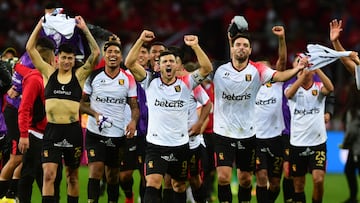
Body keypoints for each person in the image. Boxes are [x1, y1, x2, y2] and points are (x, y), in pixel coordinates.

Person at [212, 31, 307, 203]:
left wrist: (298, 67)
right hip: (231, 134)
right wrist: (229, 40)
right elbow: (232, 65)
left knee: (250, 180)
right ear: (232, 48)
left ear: (250, 51)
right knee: (231, 177)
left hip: (257, 136)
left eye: (245, 45)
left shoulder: (264, 76)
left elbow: (282, 69)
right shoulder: (224, 70)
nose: (241, 48)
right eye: (238, 45)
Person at [125, 30, 213, 203]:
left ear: (176, 66)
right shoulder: (150, 81)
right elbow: (129, 62)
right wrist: (141, 39)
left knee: (179, 185)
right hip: (155, 146)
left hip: (180, 145)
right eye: (164, 61)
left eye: (171, 61)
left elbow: (207, 68)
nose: (168, 64)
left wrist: (195, 46)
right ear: (159, 65)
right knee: (153, 182)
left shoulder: (187, 82)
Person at [25, 15, 100, 203]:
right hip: (52, 131)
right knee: (49, 174)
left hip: (72, 131)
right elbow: (29, 48)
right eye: (64, 58)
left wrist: (84, 29)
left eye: (70, 58)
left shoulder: (80, 76)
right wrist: (40, 24)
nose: (67, 61)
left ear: (74, 60)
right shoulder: (48, 74)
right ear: (57, 59)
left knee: (72, 176)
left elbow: (96, 53)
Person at [80, 35, 139, 203]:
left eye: (116, 52)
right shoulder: (93, 77)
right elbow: (81, 103)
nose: (113, 54)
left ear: (121, 57)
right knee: (96, 170)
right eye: (109, 51)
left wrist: (133, 121)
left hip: (117, 133)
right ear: (104, 55)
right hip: (95, 132)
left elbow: (134, 106)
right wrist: (96, 114)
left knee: (113, 176)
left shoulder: (128, 79)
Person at [16, 37, 62, 203]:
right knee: (28, 175)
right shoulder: (34, 79)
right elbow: (24, 108)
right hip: (35, 135)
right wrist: (23, 134)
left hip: (51, 136)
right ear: (51, 59)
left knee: (52, 177)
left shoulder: (56, 78)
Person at [284, 62, 334, 203]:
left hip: (317, 143)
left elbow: (330, 88)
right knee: (298, 185)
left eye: (307, 70)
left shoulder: (318, 88)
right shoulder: (290, 88)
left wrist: (317, 67)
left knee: (318, 180)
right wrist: (302, 73)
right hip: (297, 143)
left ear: (313, 73)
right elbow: (288, 95)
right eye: (300, 70)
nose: (304, 71)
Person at [254, 25, 287, 203]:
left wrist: (281, 38)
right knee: (261, 177)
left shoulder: (276, 84)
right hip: (257, 139)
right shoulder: (250, 87)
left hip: (276, 138)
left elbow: (282, 61)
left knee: (274, 183)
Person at [340, 83, 360, 203]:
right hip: (356, 148)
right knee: (350, 170)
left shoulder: (352, 111)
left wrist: (345, 144)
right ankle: (353, 197)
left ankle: (353, 197)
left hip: (357, 149)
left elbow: (351, 130)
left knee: (349, 171)